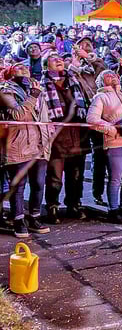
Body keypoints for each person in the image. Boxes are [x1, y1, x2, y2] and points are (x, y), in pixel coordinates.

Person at [86, 55, 122, 224]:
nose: (111, 75)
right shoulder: (100, 98)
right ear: (100, 82)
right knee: (115, 178)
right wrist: (112, 130)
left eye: (113, 74)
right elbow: (92, 119)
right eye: (107, 75)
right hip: (116, 143)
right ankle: (113, 210)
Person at [1, 62, 53, 237]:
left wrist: (49, 133)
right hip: (19, 145)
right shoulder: (5, 90)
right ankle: (18, 220)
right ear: (9, 72)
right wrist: (33, 95)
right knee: (19, 186)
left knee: (38, 184)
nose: (23, 70)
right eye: (18, 68)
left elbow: (45, 115)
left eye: (25, 68)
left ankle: (35, 216)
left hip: (39, 143)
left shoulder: (37, 88)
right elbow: (18, 115)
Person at [42, 52, 89, 223]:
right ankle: (52, 207)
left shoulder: (74, 81)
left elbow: (86, 103)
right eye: (53, 59)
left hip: (78, 135)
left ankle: (74, 205)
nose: (58, 60)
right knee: (54, 176)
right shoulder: (41, 85)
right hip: (56, 138)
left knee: (76, 175)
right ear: (46, 65)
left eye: (60, 58)